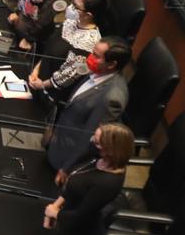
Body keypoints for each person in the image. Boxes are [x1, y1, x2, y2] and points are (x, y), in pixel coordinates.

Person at [48, 38, 130, 174]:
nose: (90, 58)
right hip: (57, 140)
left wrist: (66, 169)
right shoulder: (97, 70)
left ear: (111, 65)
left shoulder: (111, 98)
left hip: (66, 159)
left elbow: (90, 139)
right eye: (93, 52)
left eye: (96, 56)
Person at [27, 0, 106, 99]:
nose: (70, 8)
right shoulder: (71, 22)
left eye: (75, 6)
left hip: (50, 91)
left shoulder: (89, 43)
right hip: (38, 77)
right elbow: (50, 49)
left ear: (88, 15)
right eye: (72, 3)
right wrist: (36, 70)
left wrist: (42, 85)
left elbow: (69, 75)